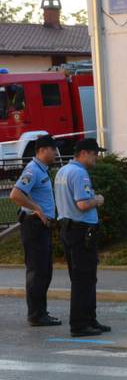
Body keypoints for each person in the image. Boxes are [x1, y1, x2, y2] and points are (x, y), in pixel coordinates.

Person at [54, 138, 109, 337]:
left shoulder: (63, 171)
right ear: (84, 153)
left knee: (82, 278)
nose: (96, 158)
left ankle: (89, 320)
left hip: (68, 229)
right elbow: (83, 204)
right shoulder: (79, 173)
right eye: (95, 154)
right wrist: (98, 200)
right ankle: (79, 324)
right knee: (84, 280)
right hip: (81, 231)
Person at [10, 135, 62, 326]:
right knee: (37, 271)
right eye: (53, 149)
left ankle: (41, 312)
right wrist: (37, 209)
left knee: (44, 271)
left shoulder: (41, 170)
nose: (56, 153)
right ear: (42, 150)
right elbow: (15, 194)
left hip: (40, 226)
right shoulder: (32, 170)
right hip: (34, 226)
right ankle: (36, 315)